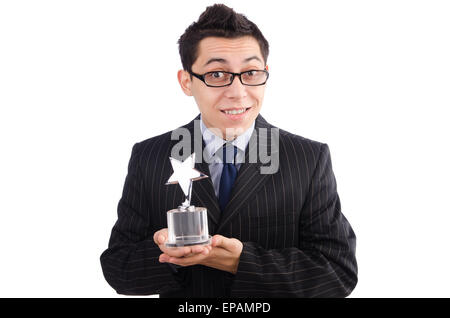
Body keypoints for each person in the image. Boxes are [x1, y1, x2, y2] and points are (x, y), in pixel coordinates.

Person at [100, 4, 357, 297]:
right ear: (187, 81)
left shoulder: (308, 158)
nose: (238, 92)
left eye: (250, 72)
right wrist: (168, 254)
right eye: (218, 74)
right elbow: (118, 268)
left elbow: (337, 272)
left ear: (265, 73)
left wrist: (239, 262)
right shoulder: (150, 156)